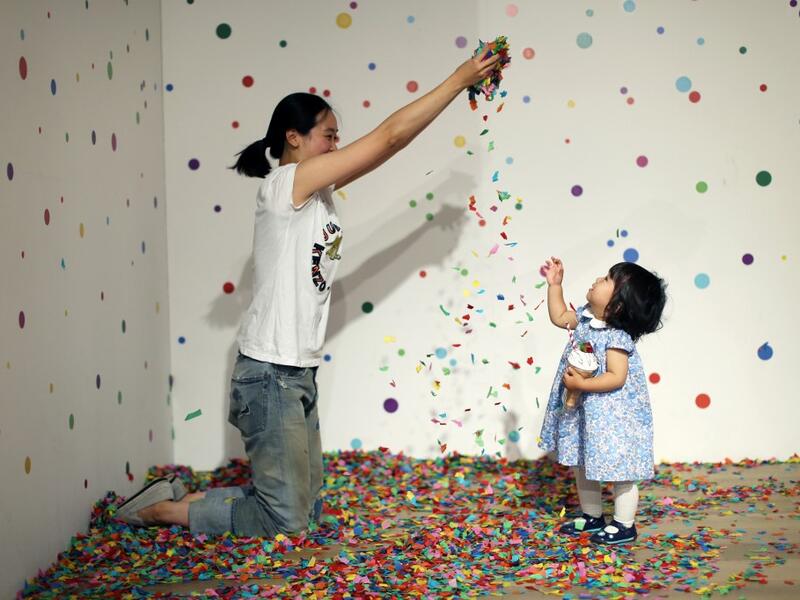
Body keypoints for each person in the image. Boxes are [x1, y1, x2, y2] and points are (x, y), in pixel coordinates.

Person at [115, 49, 502, 535]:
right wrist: (460, 77)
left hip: (296, 370)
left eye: (339, 137)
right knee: (288, 519)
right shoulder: (286, 185)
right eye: (329, 136)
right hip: (269, 374)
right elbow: (388, 138)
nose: (337, 145)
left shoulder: (314, 192)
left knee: (304, 508)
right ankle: (161, 512)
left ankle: (182, 498)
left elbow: (388, 146)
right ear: (293, 139)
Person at [537, 257, 667, 545]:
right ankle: (592, 515)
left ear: (617, 306)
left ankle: (624, 524)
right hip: (585, 412)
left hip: (611, 417)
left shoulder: (616, 337)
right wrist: (555, 286)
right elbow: (559, 317)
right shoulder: (584, 318)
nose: (598, 278)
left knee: (621, 469)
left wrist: (582, 384)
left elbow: (616, 377)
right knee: (582, 462)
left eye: (608, 279)